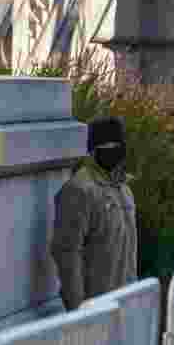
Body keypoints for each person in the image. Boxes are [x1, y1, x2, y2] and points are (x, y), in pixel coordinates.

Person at [51, 116, 137, 311]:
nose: (113, 149)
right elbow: (67, 252)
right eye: (107, 145)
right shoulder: (79, 190)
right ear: (92, 150)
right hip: (95, 311)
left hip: (124, 305)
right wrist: (79, 311)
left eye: (117, 144)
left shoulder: (124, 189)